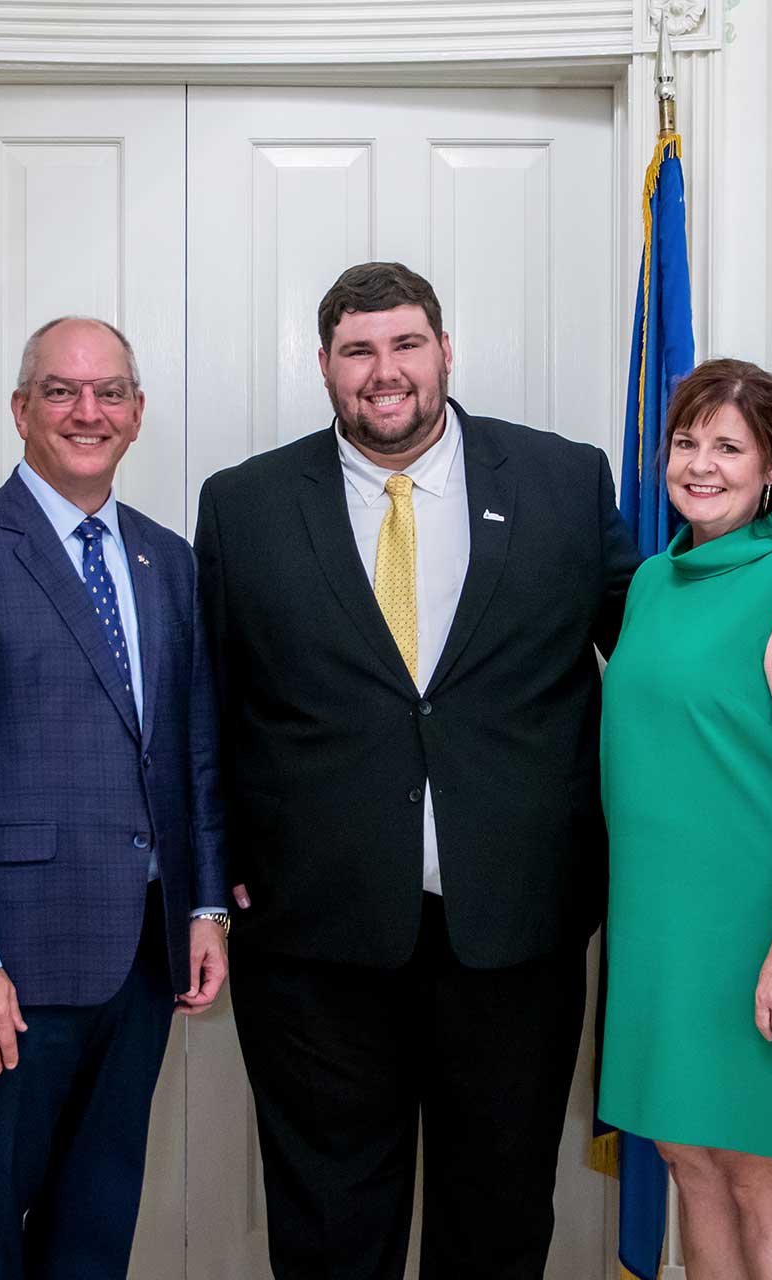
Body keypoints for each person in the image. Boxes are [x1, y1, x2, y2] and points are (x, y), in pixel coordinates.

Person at [195, 261, 641, 1280]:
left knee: (498, 1211)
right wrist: (210, 875)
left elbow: (654, 661)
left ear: (445, 349)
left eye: (404, 343)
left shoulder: (564, 482)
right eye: (358, 349)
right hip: (313, 938)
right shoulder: (247, 504)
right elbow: (207, 709)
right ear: (323, 366)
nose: (383, 370)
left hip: (514, 926)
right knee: (330, 1223)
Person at [0, 316, 228, 1280]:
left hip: (143, 958)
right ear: (21, 409)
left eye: (110, 392)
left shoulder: (167, 558)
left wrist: (203, 904)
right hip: (9, 970)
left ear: (138, 413)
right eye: (63, 391)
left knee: (95, 1225)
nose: (88, 412)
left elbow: (190, 752)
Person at [598, 359, 772, 1280]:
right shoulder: (650, 582)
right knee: (689, 1160)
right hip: (660, 930)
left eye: (728, 446)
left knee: (765, 1172)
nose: (701, 464)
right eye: (686, 441)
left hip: (761, 928)